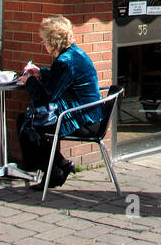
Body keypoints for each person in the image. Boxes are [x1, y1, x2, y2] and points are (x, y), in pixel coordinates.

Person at [16, 15, 102, 188]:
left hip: (83, 119)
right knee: (31, 123)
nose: (43, 44)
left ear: (52, 41)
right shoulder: (74, 53)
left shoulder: (65, 62)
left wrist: (29, 81)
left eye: (44, 41)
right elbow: (61, 80)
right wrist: (41, 72)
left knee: (28, 126)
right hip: (90, 114)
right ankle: (58, 167)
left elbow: (46, 97)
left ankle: (54, 169)